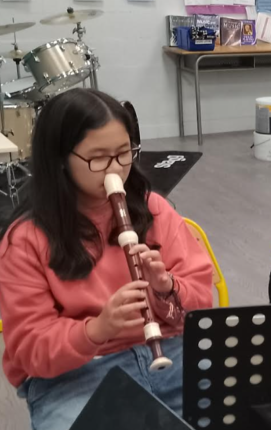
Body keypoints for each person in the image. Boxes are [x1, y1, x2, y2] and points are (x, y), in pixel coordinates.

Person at [0, 88, 214, 430]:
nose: (115, 168)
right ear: (60, 159)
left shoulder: (153, 209)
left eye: (124, 153)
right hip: (74, 375)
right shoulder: (25, 240)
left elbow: (202, 302)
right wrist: (97, 330)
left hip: (171, 353)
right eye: (98, 158)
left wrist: (166, 289)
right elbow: (30, 349)